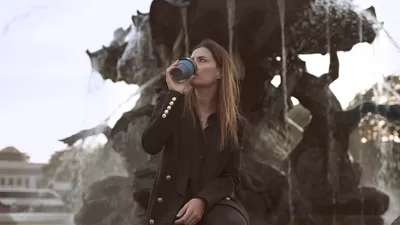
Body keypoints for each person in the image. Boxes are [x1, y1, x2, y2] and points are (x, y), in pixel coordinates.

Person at [141, 39, 249, 225]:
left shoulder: (235, 124)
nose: (193, 64)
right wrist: (175, 94)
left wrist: (203, 200)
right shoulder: (173, 104)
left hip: (213, 208)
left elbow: (231, 177)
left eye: (202, 60)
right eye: (191, 59)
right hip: (170, 210)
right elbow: (150, 144)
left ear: (219, 72)